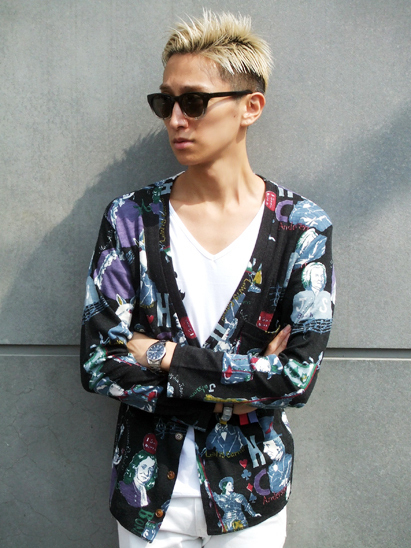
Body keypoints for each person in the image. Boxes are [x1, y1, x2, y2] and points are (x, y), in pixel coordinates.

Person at [80, 10, 335, 547]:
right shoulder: (131, 219)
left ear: (250, 107)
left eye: (194, 102)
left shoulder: (302, 228)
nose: (176, 119)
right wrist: (244, 386)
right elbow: (100, 364)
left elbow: (296, 378)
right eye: (165, 102)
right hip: (147, 496)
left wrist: (162, 354)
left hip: (252, 495)